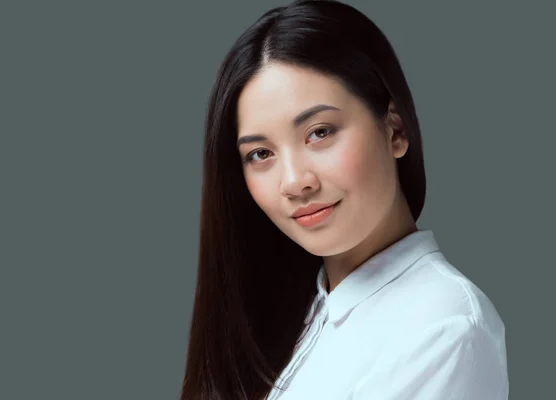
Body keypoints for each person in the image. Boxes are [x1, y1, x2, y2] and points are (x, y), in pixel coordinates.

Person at [180, 0, 509, 399]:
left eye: (319, 132)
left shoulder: (444, 328)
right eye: (261, 154)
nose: (295, 182)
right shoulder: (295, 314)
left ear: (395, 129)